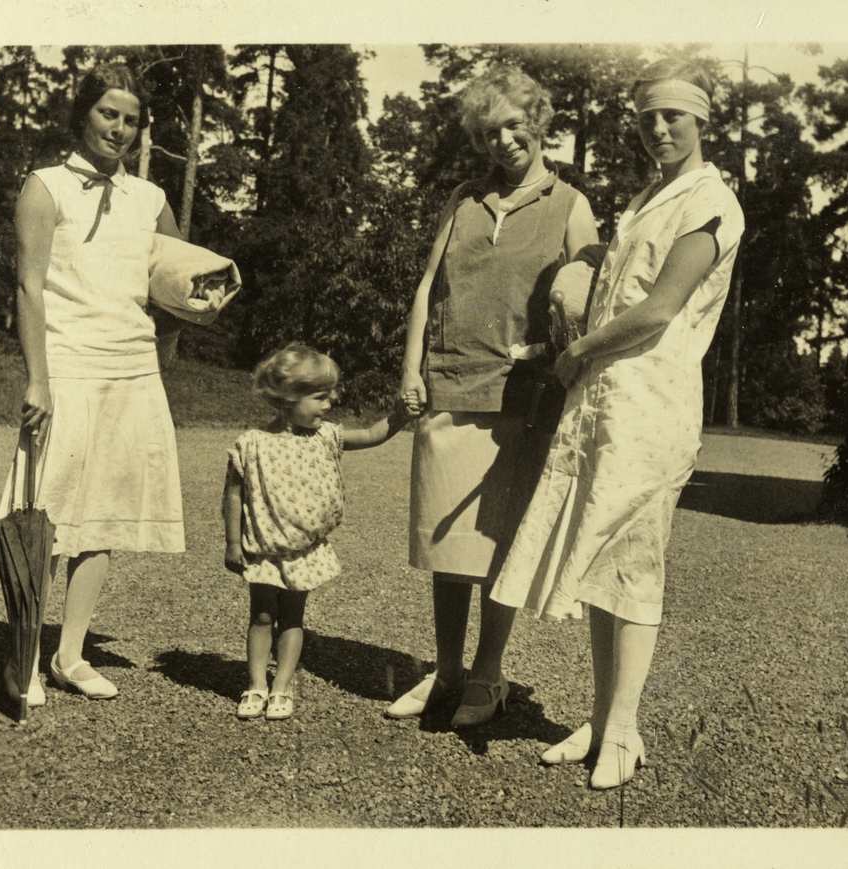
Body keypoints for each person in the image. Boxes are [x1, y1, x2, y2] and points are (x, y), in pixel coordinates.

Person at [490, 59, 745, 788]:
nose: (658, 129)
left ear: (702, 120)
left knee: (632, 558)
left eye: (673, 116)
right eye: (646, 117)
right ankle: (603, 719)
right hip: (605, 400)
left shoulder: (710, 199)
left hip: (652, 401)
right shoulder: (647, 198)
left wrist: (577, 351)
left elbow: (661, 308)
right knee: (599, 558)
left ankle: (625, 731)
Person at [388, 67, 600, 727]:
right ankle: (447, 669)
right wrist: (410, 367)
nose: (503, 141)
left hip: (523, 399)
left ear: (538, 124)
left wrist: (563, 352)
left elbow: (588, 287)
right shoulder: (463, 200)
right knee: (447, 544)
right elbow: (427, 287)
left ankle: (489, 674)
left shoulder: (570, 203)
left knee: (502, 544)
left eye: (514, 126)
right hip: (450, 383)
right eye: (490, 132)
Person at [0, 64, 187, 706]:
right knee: (44, 513)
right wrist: (37, 380)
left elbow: (180, 289)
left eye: (132, 120)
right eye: (110, 114)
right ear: (83, 114)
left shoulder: (152, 200)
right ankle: (23, 658)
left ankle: (70, 654)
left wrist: (205, 294)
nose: (121, 128)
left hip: (131, 370)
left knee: (103, 515)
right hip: (67, 367)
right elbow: (28, 286)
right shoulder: (44, 186)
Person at [223, 343, 410, 721]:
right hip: (263, 548)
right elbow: (233, 493)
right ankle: (256, 684)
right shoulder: (253, 443)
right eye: (320, 397)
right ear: (288, 398)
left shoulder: (326, 436)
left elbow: (374, 434)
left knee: (292, 617)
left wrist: (401, 416)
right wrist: (231, 541)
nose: (330, 404)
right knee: (261, 616)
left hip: (303, 551)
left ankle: (282, 687)